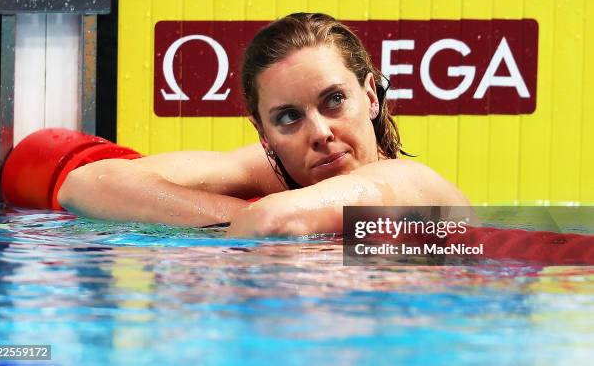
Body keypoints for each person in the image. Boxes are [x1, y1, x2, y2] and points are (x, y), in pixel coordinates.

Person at [58, 13, 469, 236]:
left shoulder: (408, 181)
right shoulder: (274, 174)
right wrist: (239, 213)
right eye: (289, 117)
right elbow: (85, 184)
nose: (320, 132)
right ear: (264, 135)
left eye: (335, 100)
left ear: (370, 96)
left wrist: (246, 221)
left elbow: (274, 222)